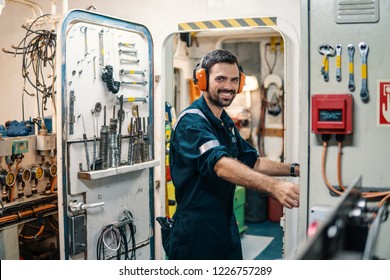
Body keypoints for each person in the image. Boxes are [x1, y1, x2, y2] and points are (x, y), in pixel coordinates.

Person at [167, 49, 300, 260]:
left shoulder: (224, 121)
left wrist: (294, 169)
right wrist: (274, 186)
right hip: (196, 232)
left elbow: (253, 161)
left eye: (234, 80)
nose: (228, 86)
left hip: (225, 226)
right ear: (202, 80)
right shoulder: (192, 123)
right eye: (220, 78)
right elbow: (220, 165)